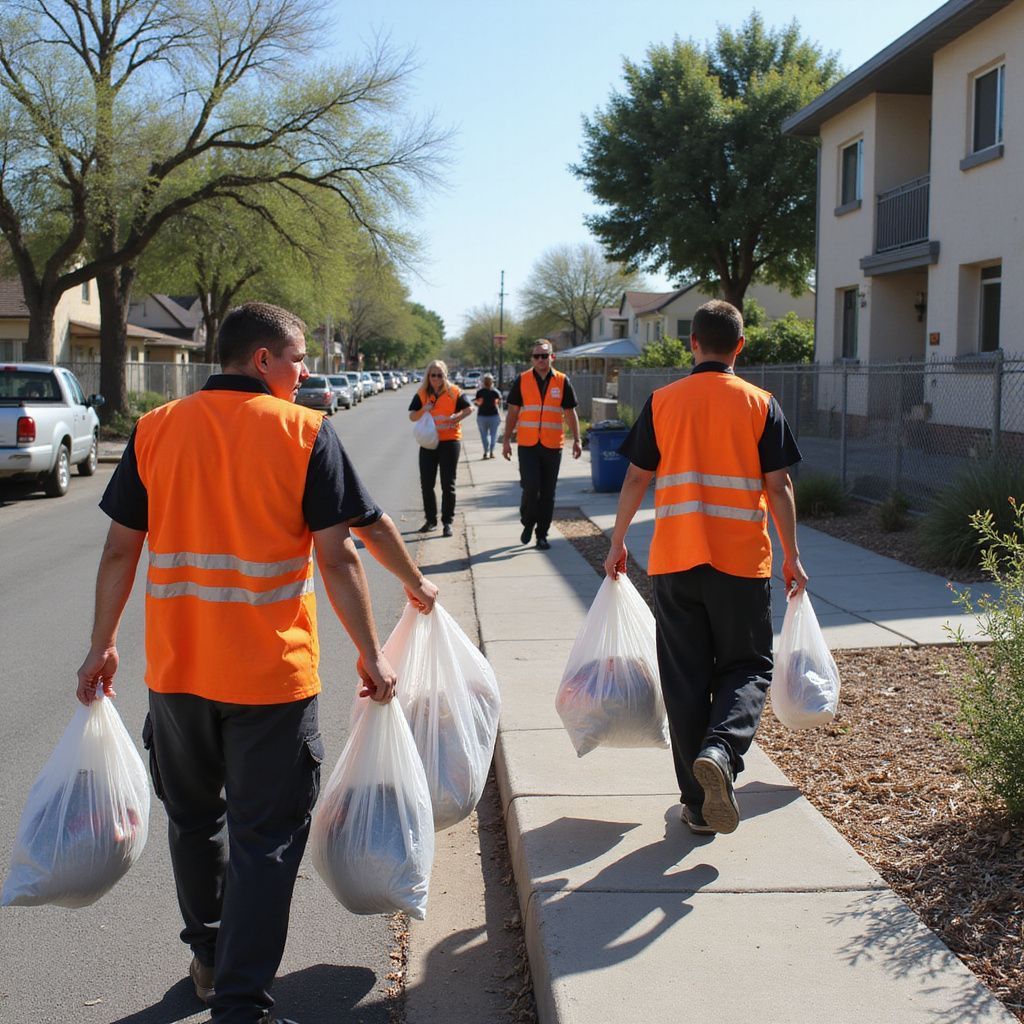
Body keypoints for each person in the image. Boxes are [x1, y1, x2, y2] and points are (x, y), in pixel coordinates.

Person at [75, 302, 439, 1024]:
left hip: (178, 675)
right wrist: (370, 654)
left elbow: (121, 548)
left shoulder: (156, 430)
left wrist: (102, 643)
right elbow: (339, 555)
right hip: (271, 681)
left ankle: (209, 956)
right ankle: (241, 1001)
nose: (306, 372)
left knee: (192, 822)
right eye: (298, 358)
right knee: (265, 839)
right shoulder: (304, 433)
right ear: (262, 361)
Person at [602, 300, 808, 837]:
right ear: (740, 347)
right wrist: (792, 556)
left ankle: (696, 805)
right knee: (747, 667)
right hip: (740, 564)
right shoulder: (761, 403)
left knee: (685, 678)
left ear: (692, 343)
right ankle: (722, 751)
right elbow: (779, 485)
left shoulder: (663, 402)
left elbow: (634, 479)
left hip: (675, 561)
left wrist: (618, 542)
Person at [501, 339, 582, 550]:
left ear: (552, 357)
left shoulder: (562, 381)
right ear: (532, 359)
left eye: (544, 356)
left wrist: (577, 440)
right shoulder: (522, 380)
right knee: (530, 487)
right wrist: (507, 440)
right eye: (537, 356)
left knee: (548, 492)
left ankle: (542, 534)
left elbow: (570, 412)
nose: (540, 360)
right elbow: (512, 412)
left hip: (553, 445)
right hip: (528, 444)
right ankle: (528, 522)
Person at [408, 359, 473, 537]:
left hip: (449, 442)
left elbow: (469, 409)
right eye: (433, 375)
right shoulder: (422, 393)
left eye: (439, 375)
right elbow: (412, 416)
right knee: (427, 484)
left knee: (448, 484)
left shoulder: (454, 392)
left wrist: (456, 417)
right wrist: (424, 409)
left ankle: (447, 522)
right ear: (428, 376)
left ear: (445, 375)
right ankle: (431, 520)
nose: (436, 378)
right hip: (429, 443)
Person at [473, 372, 502, 459]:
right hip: (494, 416)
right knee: (494, 435)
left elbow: (478, 403)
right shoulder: (496, 392)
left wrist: (477, 403)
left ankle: (486, 451)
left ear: (483, 382)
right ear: (492, 381)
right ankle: (491, 452)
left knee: (483, 435)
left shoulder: (480, 392)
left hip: (482, 416)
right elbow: (498, 404)